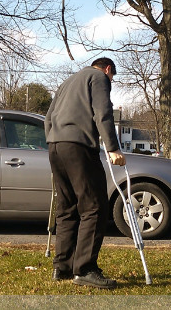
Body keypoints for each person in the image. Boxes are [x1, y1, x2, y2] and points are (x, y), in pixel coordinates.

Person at [44, 57, 126, 289]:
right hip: (79, 146)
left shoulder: (68, 81)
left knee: (67, 206)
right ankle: (85, 269)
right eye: (112, 78)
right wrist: (112, 148)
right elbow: (103, 113)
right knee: (94, 206)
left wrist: (54, 140)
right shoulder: (98, 77)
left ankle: (62, 267)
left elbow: (49, 118)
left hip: (55, 146)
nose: (111, 82)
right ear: (108, 69)